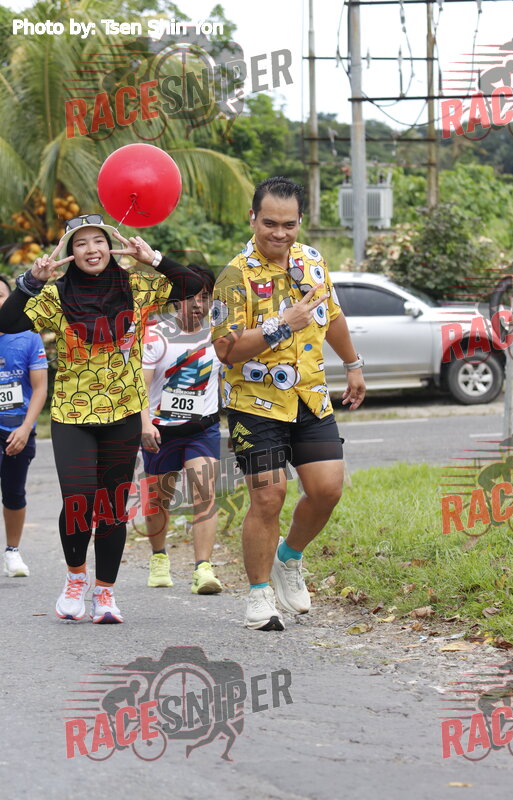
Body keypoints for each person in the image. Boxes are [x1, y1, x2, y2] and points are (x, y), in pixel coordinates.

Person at [0, 214, 204, 623]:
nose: (91, 250)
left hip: (123, 412)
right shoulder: (55, 295)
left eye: (98, 241)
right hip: (71, 414)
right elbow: (7, 322)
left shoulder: (137, 286)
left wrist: (153, 259)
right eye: (80, 243)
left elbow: (192, 286)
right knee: (78, 499)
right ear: (69, 253)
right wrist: (31, 281)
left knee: (112, 507)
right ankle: (76, 577)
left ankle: (105, 592)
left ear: (111, 247)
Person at [211, 177, 366, 631]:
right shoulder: (234, 277)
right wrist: (282, 324)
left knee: (327, 490)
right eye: (270, 223)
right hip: (254, 403)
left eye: (289, 224)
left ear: (300, 221)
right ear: (253, 219)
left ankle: (288, 558)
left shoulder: (312, 261)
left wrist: (353, 364)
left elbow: (330, 315)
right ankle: (259, 594)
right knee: (268, 496)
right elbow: (225, 350)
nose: (279, 233)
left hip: (309, 396)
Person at [140, 266, 223, 594]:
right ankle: (159, 557)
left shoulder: (220, 334)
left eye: (205, 296)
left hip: (202, 429)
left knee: (205, 492)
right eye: (191, 297)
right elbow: (141, 387)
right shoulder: (157, 335)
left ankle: (203, 568)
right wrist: (144, 425)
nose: (198, 304)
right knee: (158, 500)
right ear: (176, 300)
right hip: (161, 431)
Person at [0, 276, 48, 577]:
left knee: (14, 493)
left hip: (18, 430)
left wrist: (26, 427)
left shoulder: (29, 336)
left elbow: (40, 387)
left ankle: (12, 552)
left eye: (0, 295)